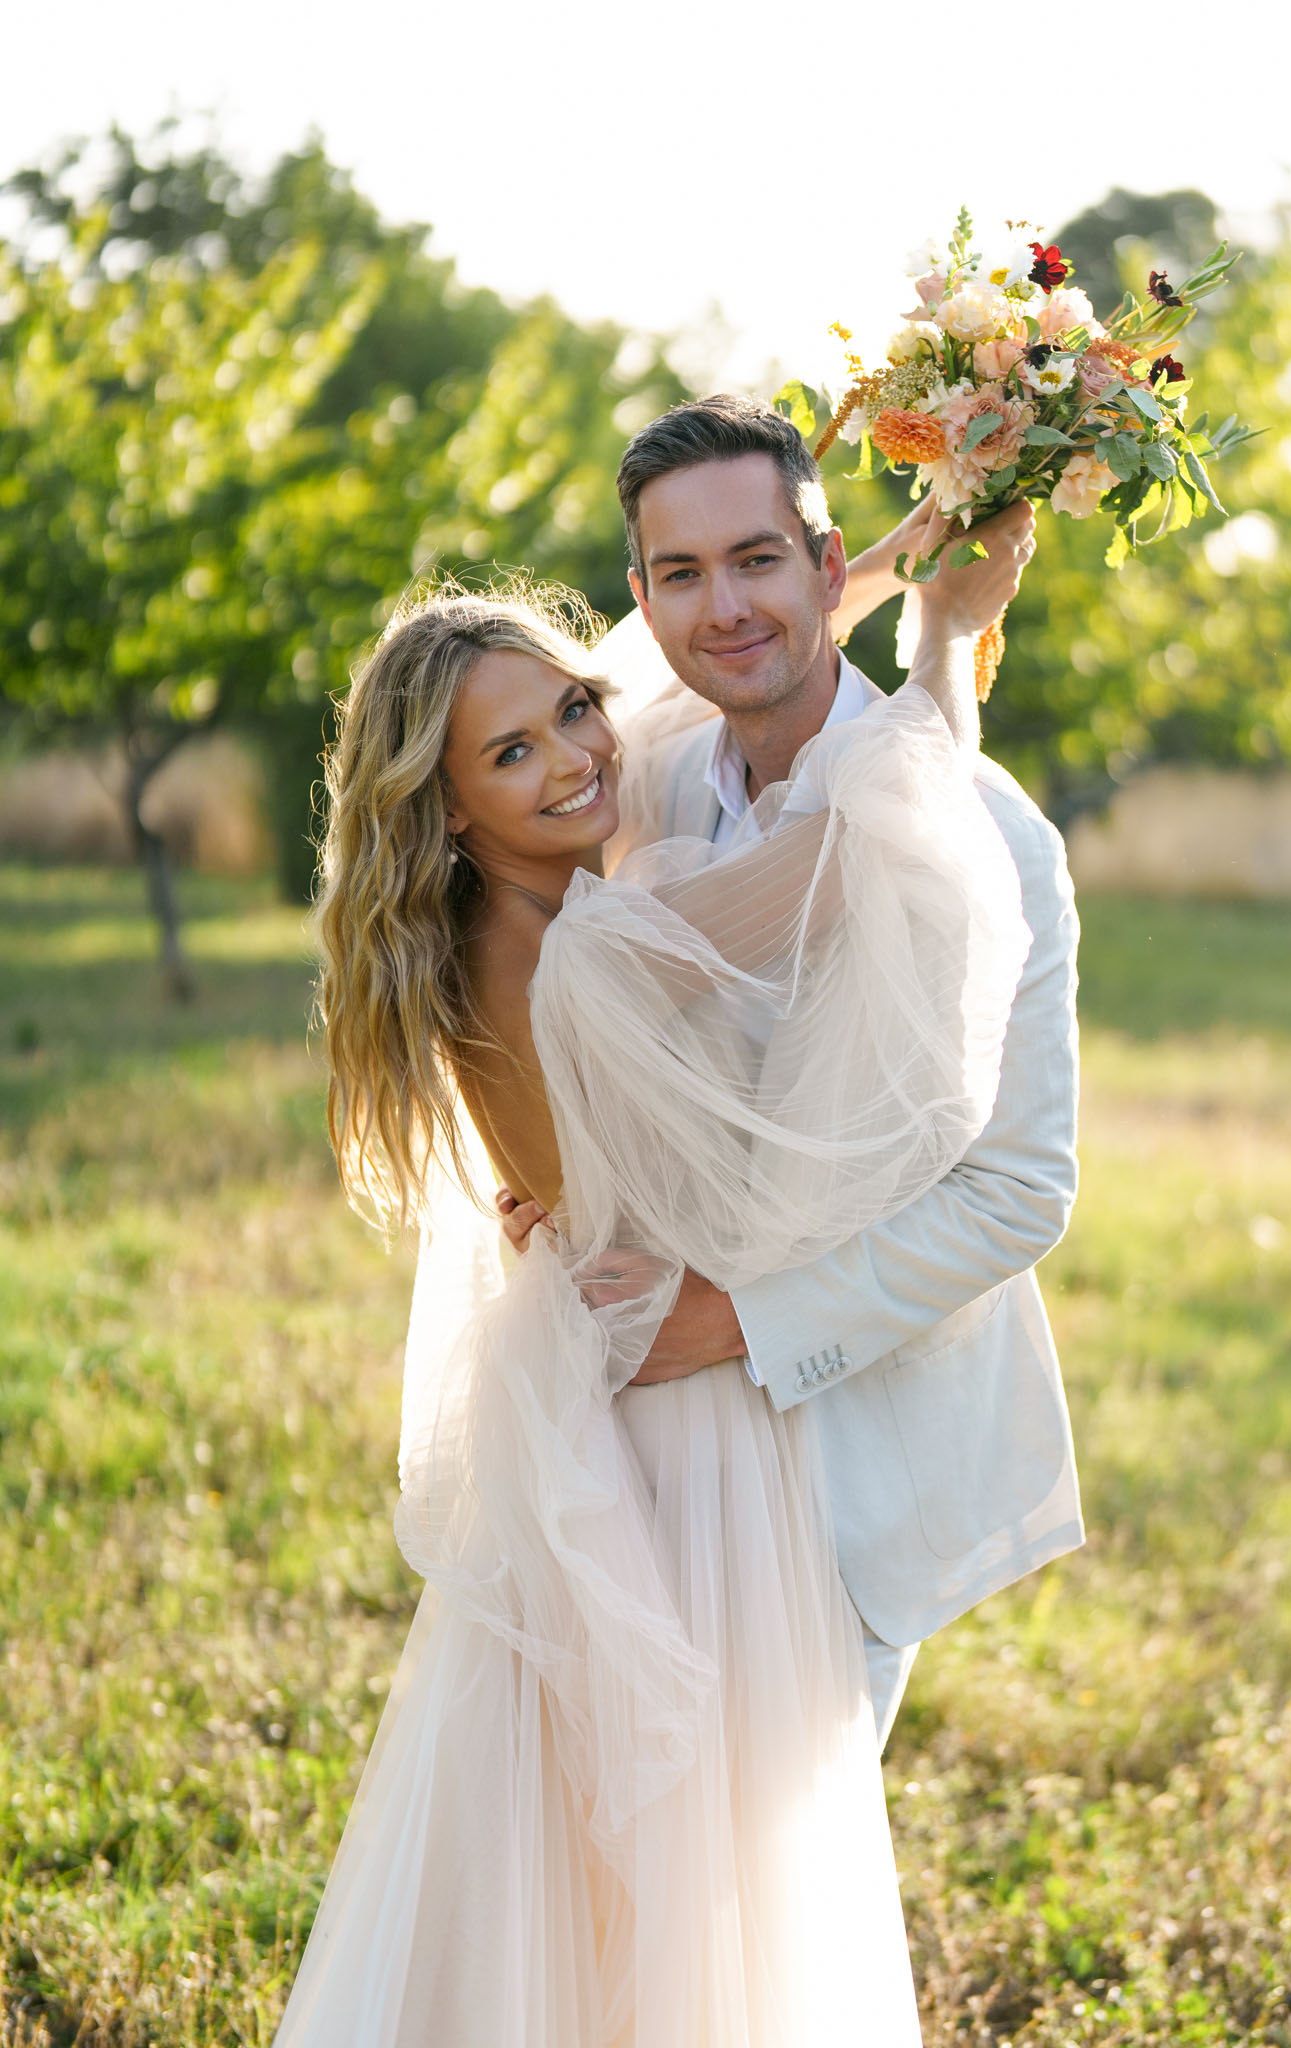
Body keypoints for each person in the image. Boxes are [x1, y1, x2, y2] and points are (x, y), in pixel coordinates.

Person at [274, 487, 1037, 2041]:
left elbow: (659, 664)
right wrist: (946, 643)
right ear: (450, 801)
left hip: (599, 1374)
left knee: (571, 1858)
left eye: (568, 712)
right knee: (708, 1869)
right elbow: (869, 843)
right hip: (677, 1410)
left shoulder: (503, 918)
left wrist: (879, 546)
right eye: (515, 754)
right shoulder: (597, 946)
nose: (576, 756)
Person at [501, 396, 1083, 1751]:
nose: (725, 607)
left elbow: (1018, 1194)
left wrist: (744, 1327)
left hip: (849, 1461)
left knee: (768, 1912)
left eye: (759, 559)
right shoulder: (623, 782)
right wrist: (549, 1177)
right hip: (632, 1440)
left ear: (830, 572)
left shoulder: (990, 834)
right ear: (642, 600)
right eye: (683, 574)